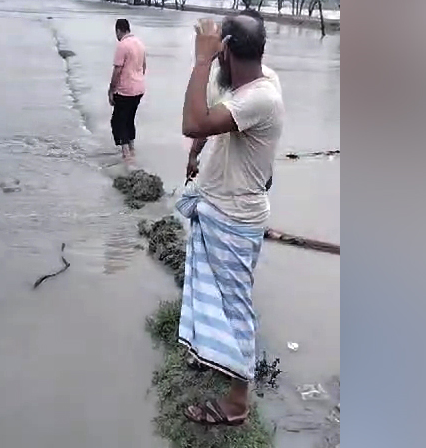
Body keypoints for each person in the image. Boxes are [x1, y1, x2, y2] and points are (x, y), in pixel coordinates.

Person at [177, 11, 284, 426]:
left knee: (233, 307)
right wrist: (196, 151)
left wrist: (201, 59)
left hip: (235, 219)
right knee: (213, 299)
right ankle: (214, 359)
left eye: (218, 49)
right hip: (222, 207)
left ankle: (237, 404)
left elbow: (192, 121)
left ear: (225, 51)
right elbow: (215, 113)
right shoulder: (252, 81)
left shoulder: (261, 96)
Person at [108, 18, 147, 162]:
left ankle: (125, 154)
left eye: (116, 32)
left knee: (118, 121)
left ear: (119, 30)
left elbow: (117, 71)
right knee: (129, 119)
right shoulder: (140, 43)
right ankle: (132, 149)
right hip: (139, 88)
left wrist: (111, 90)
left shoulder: (122, 45)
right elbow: (144, 67)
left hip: (125, 90)